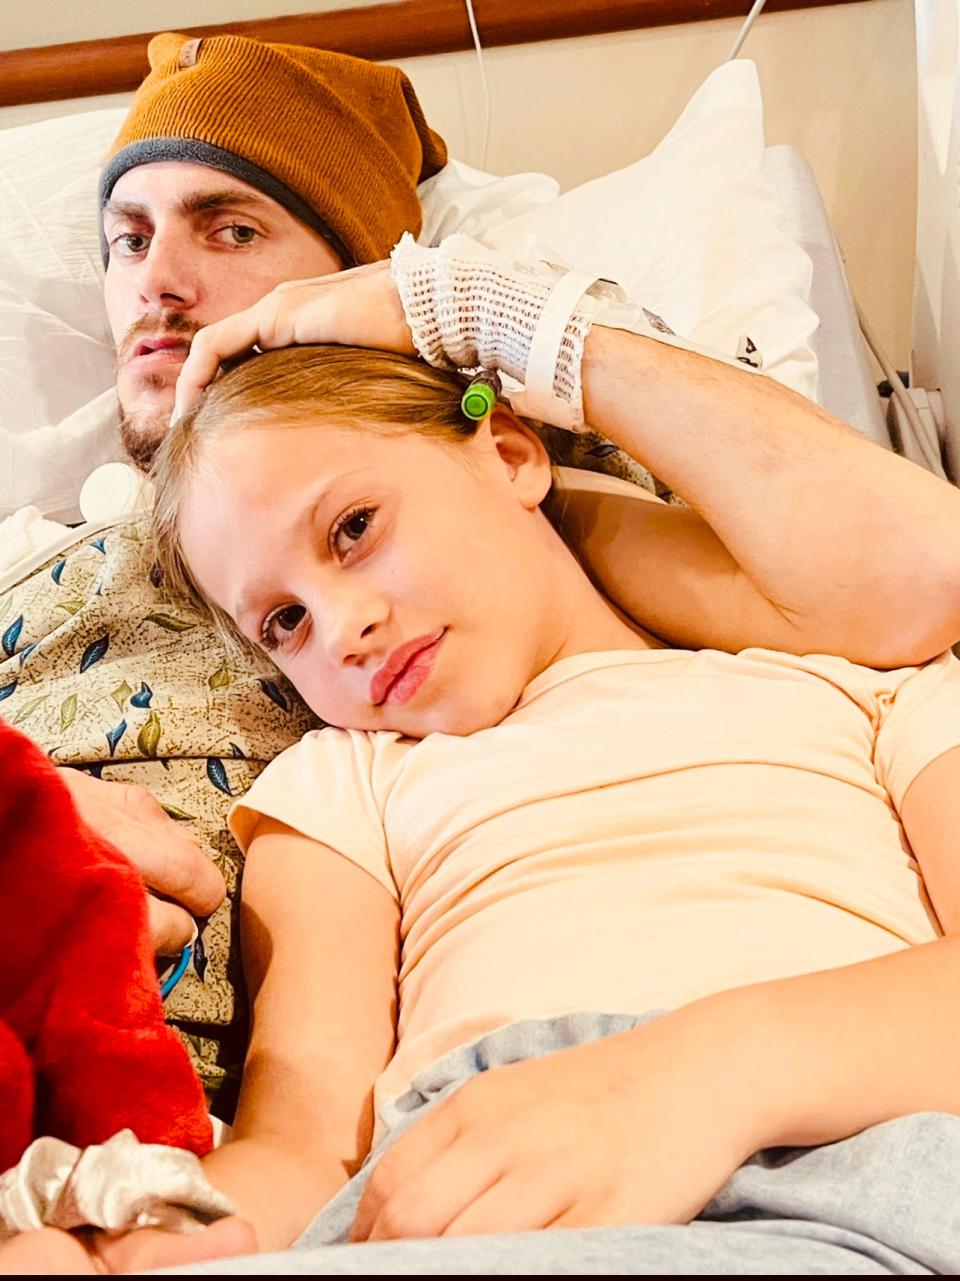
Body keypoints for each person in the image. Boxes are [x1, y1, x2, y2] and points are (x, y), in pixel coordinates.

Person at [5, 27, 960, 1115]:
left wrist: (458, 308)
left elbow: (919, 579)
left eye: (230, 228)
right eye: (124, 242)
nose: (159, 284)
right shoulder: (28, 563)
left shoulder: (526, 513)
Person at [128, 244, 960, 1271]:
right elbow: (300, 1152)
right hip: (448, 1192)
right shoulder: (344, 781)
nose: (340, 627)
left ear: (511, 455)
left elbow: (928, 565)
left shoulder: (864, 685)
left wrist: (696, 1075)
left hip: (841, 1158)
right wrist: (132, 1235)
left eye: (354, 528)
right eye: (284, 622)